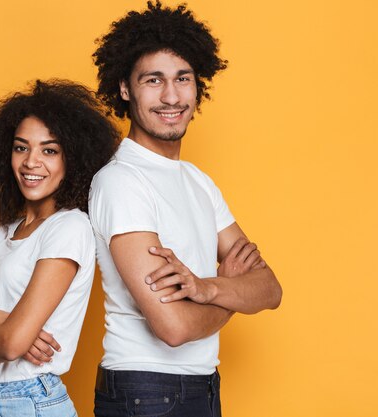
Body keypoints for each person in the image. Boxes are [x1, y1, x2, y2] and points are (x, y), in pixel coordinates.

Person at [89, 2, 283, 416]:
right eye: (153, 80)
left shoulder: (197, 181)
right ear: (125, 88)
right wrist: (232, 294)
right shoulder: (122, 181)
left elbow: (269, 289)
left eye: (183, 79)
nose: (171, 97)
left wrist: (207, 287)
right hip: (145, 391)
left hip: (202, 386)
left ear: (199, 86)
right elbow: (172, 327)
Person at [0, 79, 119, 417]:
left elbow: (10, 344)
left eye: (49, 150)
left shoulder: (69, 228)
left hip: (28, 401)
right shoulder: (4, 231)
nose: (32, 162)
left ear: (72, 158)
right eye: (21, 147)